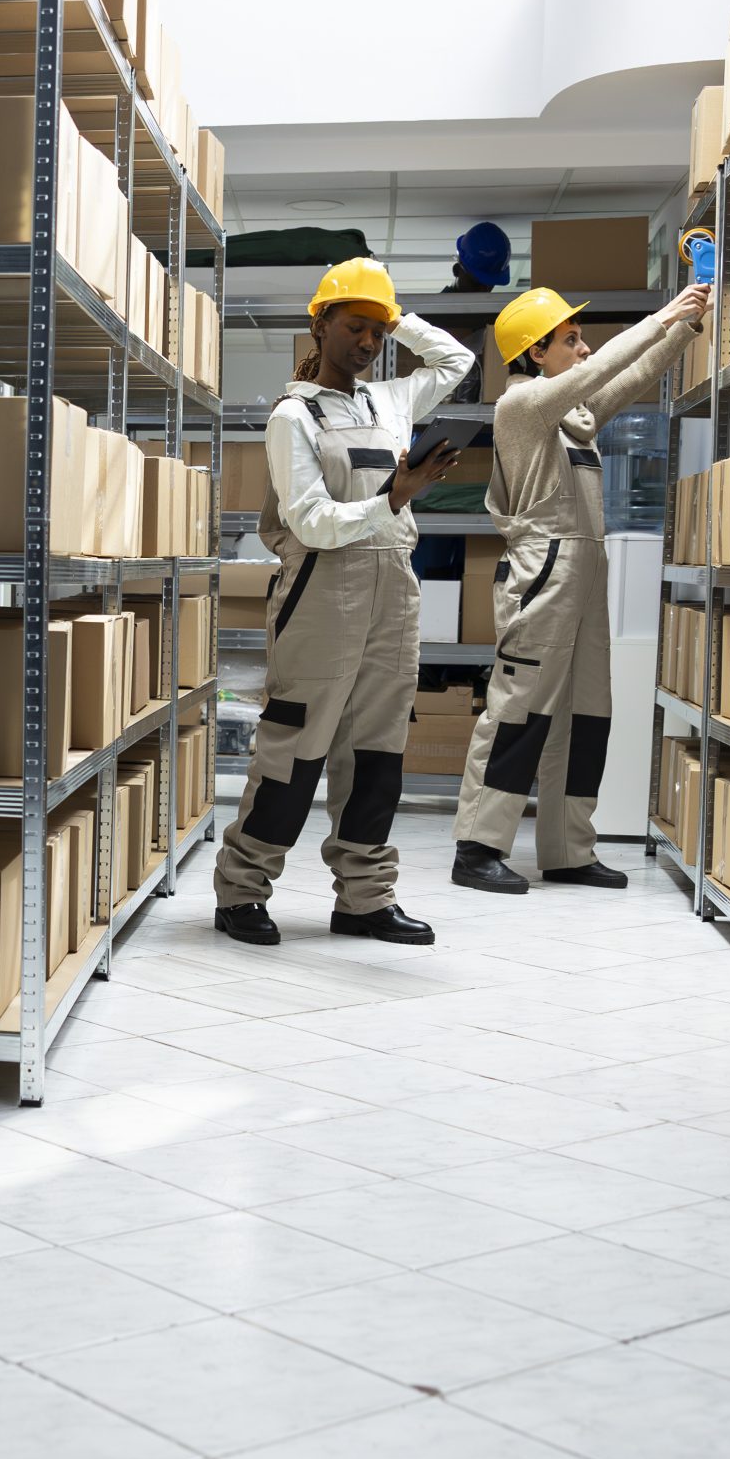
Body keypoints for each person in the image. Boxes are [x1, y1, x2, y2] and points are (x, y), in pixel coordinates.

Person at [215, 259, 473, 947]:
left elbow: (458, 359)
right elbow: (309, 521)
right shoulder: (291, 416)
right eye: (356, 326)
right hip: (321, 595)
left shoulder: (389, 400)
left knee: (378, 755)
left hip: (393, 594)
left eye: (378, 333)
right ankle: (242, 891)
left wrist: (399, 316)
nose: (368, 343)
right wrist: (393, 496)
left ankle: (364, 898)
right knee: (294, 752)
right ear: (320, 323)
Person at [451, 280, 712, 894]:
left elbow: (634, 372)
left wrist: (685, 325)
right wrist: (661, 314)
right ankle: (478, 846)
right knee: (518, 714)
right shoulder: (522, 406)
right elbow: (611, 363)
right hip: (544, 573)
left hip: (587, 572)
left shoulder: (575, 421)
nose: (585, 347)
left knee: (587, 714)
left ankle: (568, 849)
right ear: (535, 353)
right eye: (571, 340)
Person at [449, 221, 512, 293]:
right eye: (476, 284)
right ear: (456, 270)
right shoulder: (435, 304)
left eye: (490, 285)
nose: (484, 291)